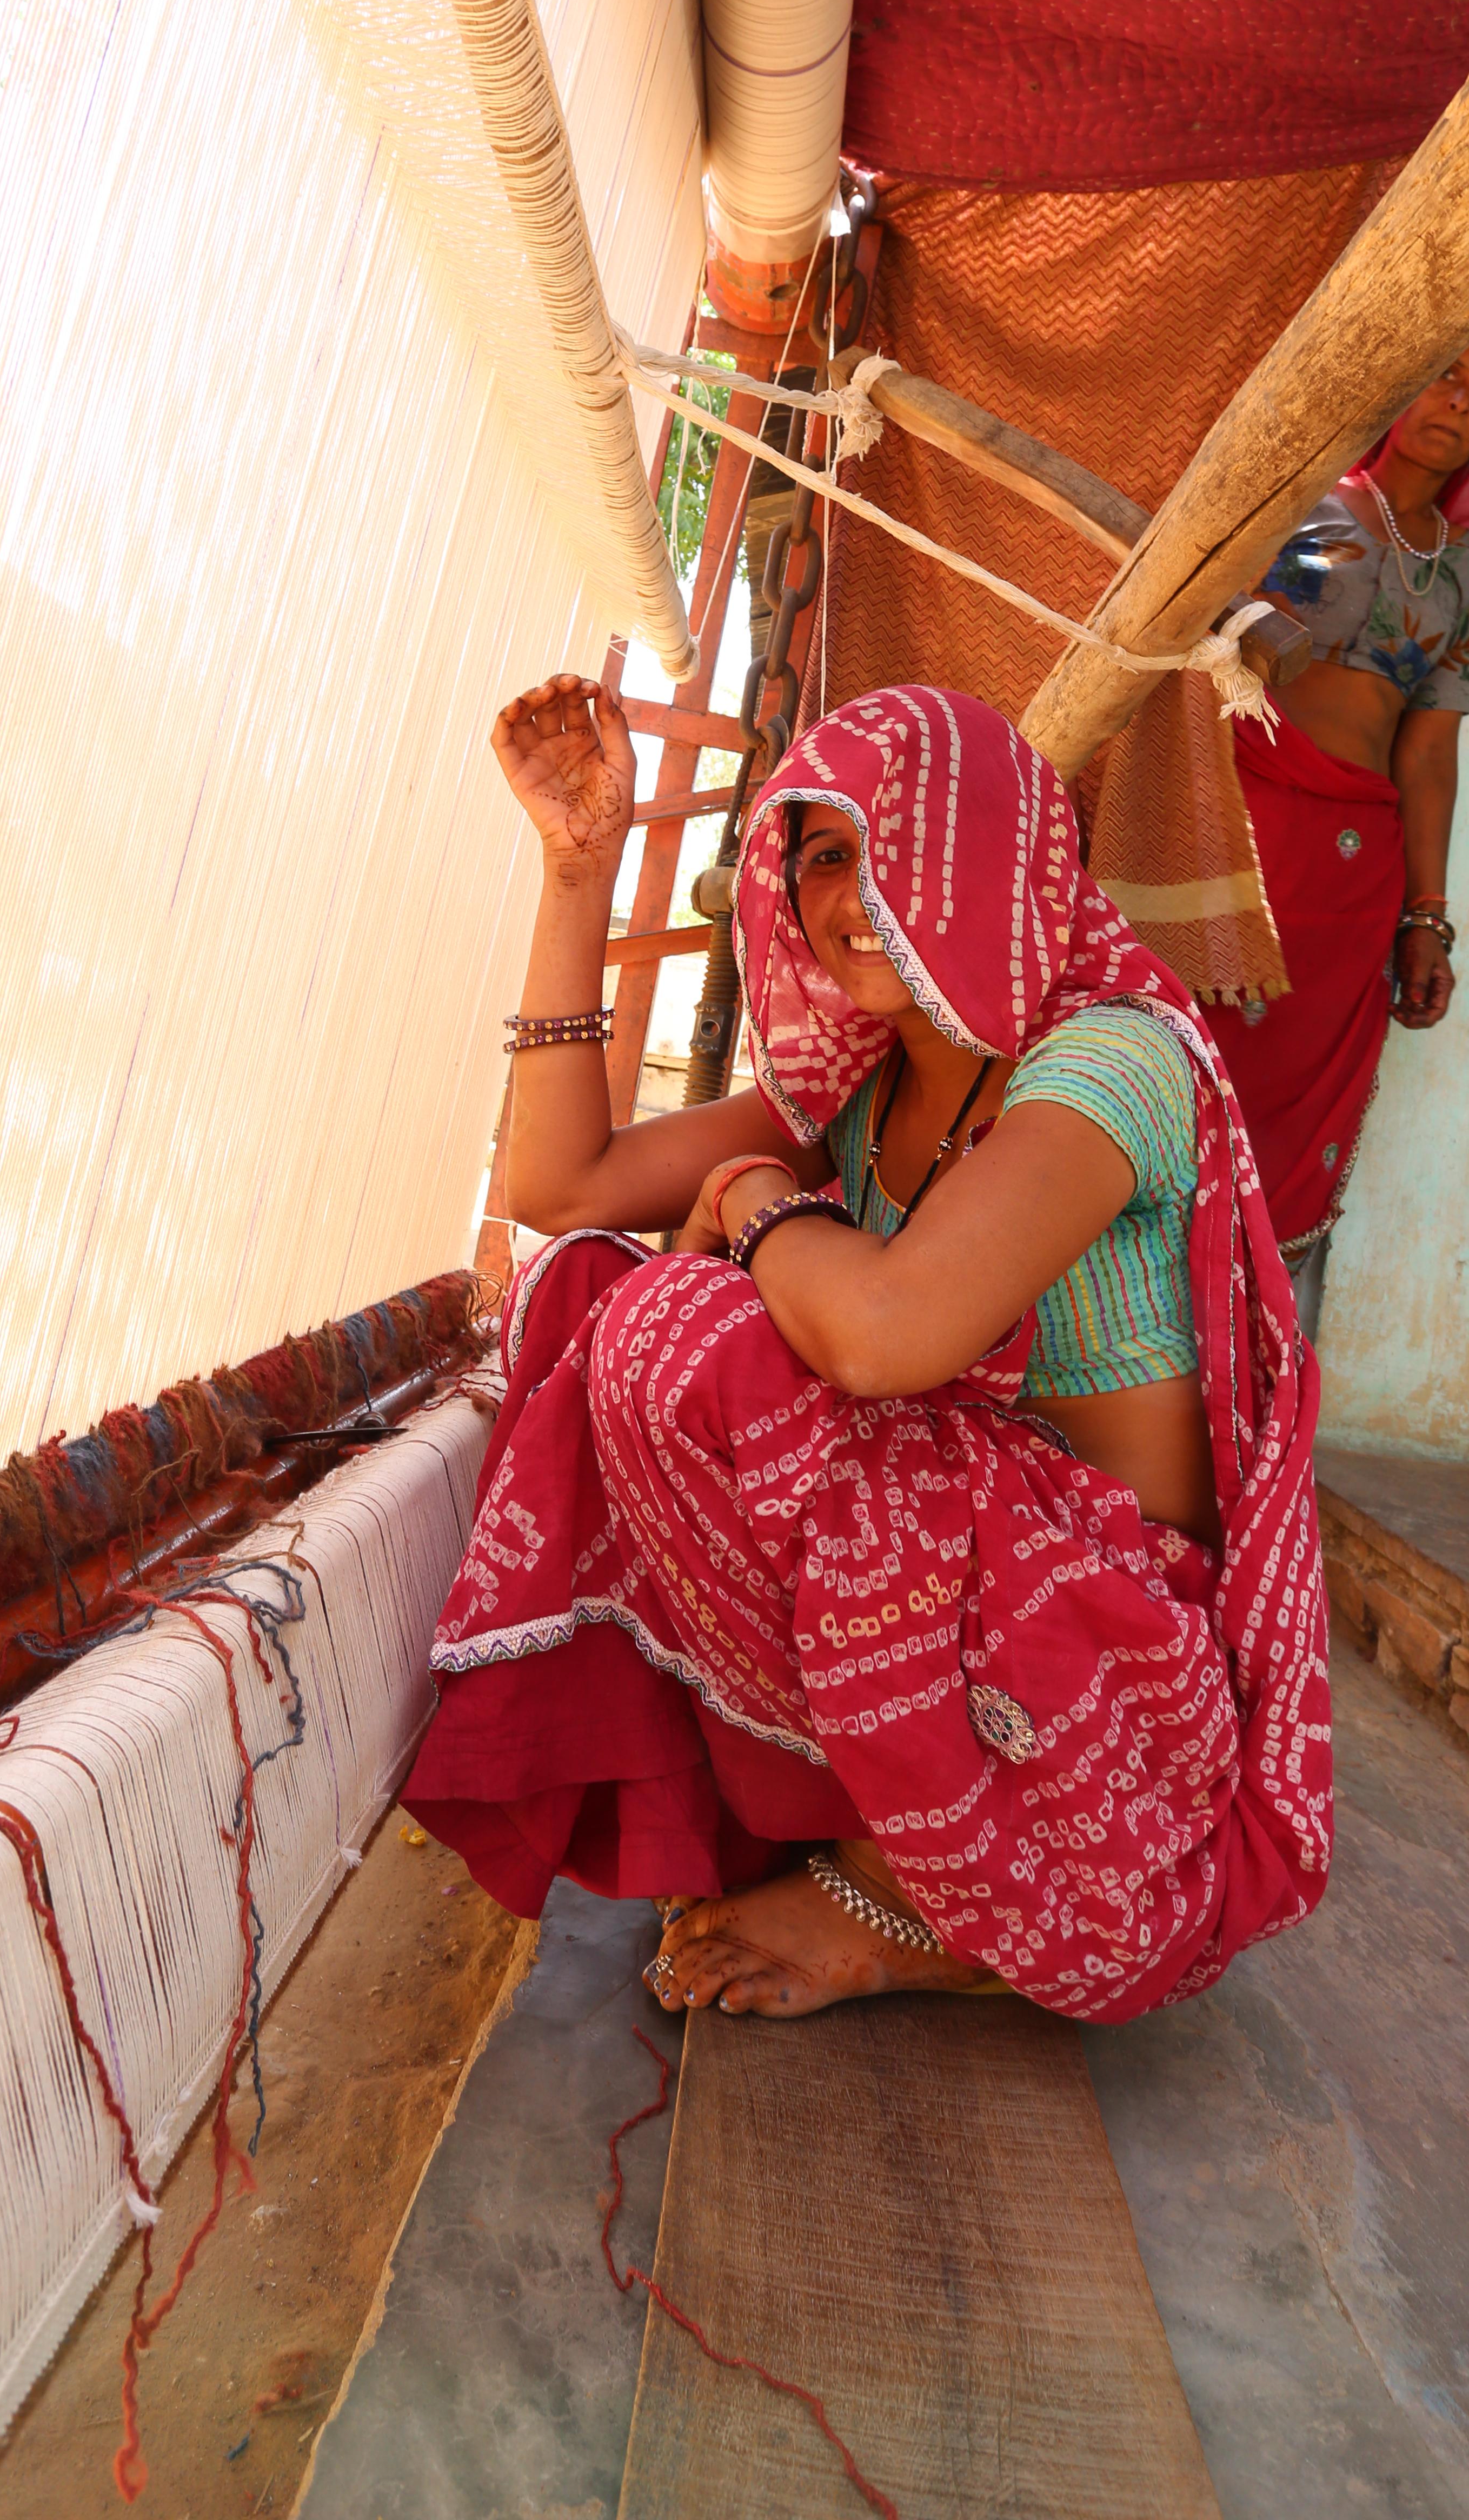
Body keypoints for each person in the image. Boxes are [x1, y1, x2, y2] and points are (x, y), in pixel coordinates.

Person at [404, 680, 1329, 2022]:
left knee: (685, 1321)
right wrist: (574, 876)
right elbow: (565, 1186)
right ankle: (900, 1832)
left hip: (1118, 1707)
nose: (853, 893)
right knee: (595, 1294)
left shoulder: (1110, 1060)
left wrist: (755, 1202)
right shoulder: (864, 1085)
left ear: (1006, 857)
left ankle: (914, 1891)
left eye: (899, 845)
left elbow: (888, 1337)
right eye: (825, 853)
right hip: (975, 1621)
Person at [1200, 328, 1469, 1261]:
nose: (1461, 400)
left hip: (1354, 870)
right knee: (1179, 1063)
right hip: (1243, 821)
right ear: (1402, 388)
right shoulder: (1310, 504)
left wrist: (1428, 915)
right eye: (1448, 375)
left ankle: (1231, 1345)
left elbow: (1428, 748)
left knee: (1290, 1094)